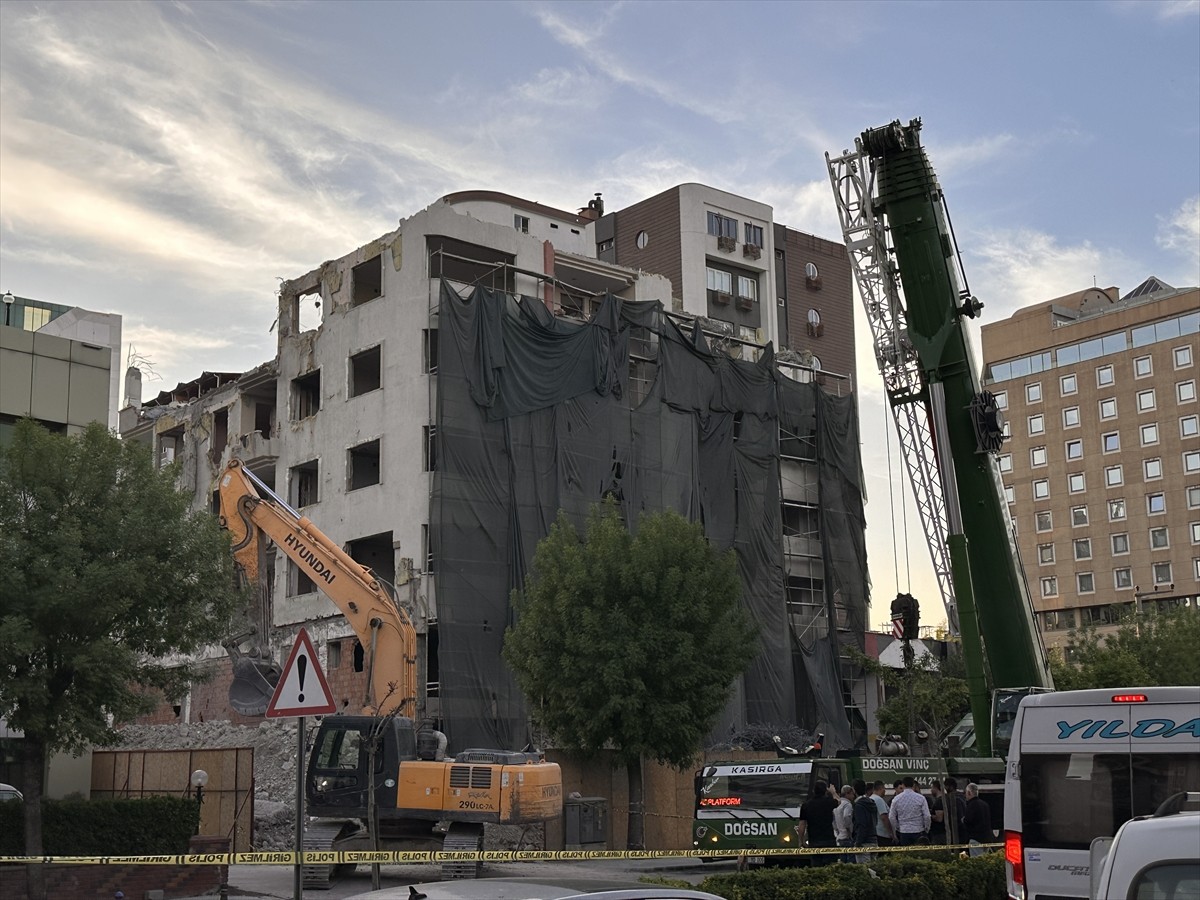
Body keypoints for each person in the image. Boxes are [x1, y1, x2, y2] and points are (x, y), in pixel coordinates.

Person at [796, 779, 839, 866]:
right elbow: (838, 801)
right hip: (828, 839)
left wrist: (801, 841)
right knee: (831, 866)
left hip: (814, 841)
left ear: (813, 791)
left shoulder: (806, 805)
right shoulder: (828, 802)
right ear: (825, 791)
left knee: (816, 867)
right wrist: (833, 792)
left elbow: (802, 825)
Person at [889, 775, 931, 845]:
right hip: (919, 830)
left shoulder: (896, 799)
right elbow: (927, 816)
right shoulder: (921, 798)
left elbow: (891, 817)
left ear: (903, 785)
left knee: (906, 854)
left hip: (904, 831)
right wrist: (926, 828)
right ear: (913, 785)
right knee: (920, 854)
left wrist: (897, 828)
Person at [962, 783, 994, 856]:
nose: (965, 796)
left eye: (966, 793)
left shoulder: (971, 805)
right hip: (987, 838)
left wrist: (963, 820)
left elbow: (968, 820)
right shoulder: (985, 804)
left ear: (969, 793)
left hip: (976, 838)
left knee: (976, 860)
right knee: (985, 859)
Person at [852, 778, 879, 863]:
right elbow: (876, 821)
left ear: (854, 790)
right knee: (874, 869)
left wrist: (858, 842)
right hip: (874, 840)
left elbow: (861, 824)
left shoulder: (859, 805)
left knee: (864, 870)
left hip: (864, 842)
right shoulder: (871, 802)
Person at [833, 783, 856, 862]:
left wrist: (837, 831)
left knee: (842, 861)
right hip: (847, 837)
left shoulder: (836, 805)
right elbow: (847, 817)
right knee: (850, 861)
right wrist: (849, 831)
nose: (853, 796)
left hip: (839, 836)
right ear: (847, 794)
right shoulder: (847, 804)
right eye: (852, 794)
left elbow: (834, 822)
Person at [941, 776, 967, 846]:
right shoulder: (963, 797)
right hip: (964, 830)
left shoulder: (952, 798)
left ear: (951, 787)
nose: (945, 788)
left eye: (946, 786)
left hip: (956, 830)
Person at [872, 781, 894, 846]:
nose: (885, 791)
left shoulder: (870, 798)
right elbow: (884, 817)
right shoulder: (879, 800)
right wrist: (891, 833)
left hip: (874, 832)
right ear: (881, 788)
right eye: (884, 788)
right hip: (882, 834)